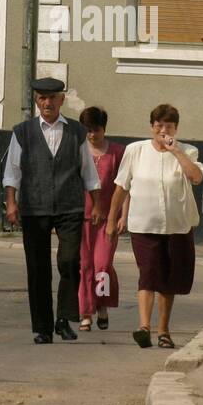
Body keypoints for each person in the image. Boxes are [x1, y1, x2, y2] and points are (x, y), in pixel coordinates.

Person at [3, 78, 103, 344]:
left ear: (62, 99)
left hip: (70, 204)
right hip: (35, 207)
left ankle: (64, 319)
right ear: (37, 100)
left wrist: (97, 204)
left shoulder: (77, 132)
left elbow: (88, 172)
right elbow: (13, 171)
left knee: (70, 262)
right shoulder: (22, 132)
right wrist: (11, 202)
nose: (47, 103)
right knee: (38, 268)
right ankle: (43, 328)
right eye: (42, 98)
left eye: (52, 98)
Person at [106, 104, 203, 350]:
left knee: (169, 280)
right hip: (144, 225)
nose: (162, 130)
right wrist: (111, 219)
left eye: (168, 126)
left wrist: (176, 152)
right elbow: (121, 187)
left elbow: (196, 177)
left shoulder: (188, 151)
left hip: (176, 225)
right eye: (158, 126)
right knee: (148, 274)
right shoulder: (135, 151)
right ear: (151, 127)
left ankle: (164, 330)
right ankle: (144, 327)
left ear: (176, 129)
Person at [77, 107, 125, 332]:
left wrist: (123, 215)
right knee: (85, 266)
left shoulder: (117, 153)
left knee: (102, 265)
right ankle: (86, 311)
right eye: (87, 130)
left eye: (96, 130)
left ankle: (102, 304)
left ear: (104, 129)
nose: (92, 135)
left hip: (108, 219)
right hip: (80, 219)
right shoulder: (76, 151)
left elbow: (124, 187)